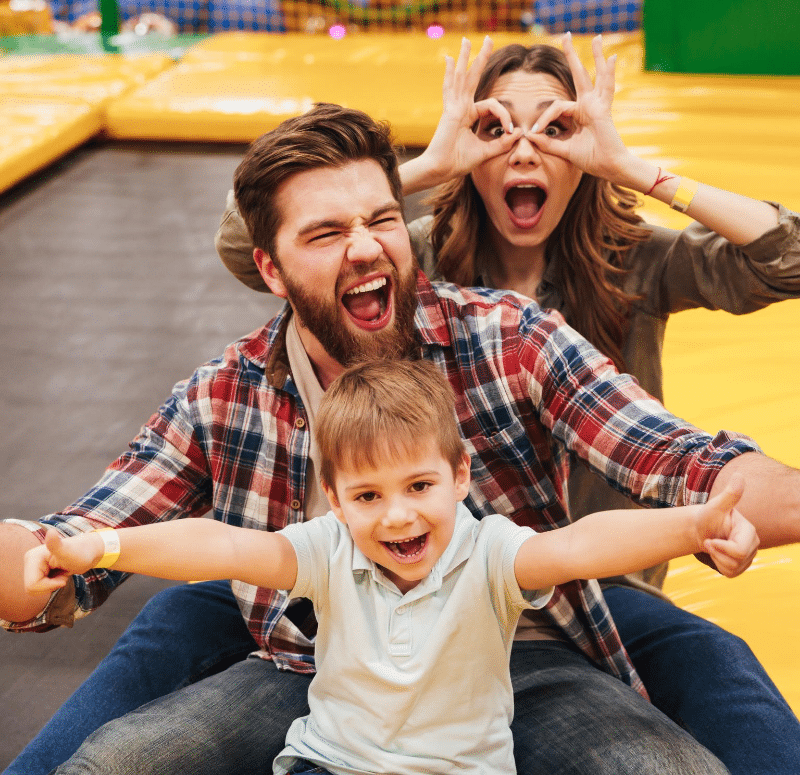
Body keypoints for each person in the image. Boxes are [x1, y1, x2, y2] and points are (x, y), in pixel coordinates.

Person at [2, 101, 798, 775]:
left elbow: (670, 457)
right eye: (324, 234)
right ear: (271, 270)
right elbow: (95, 538)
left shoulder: (506, 337)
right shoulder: (224, 394)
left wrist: (716, 511)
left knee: (670, 757)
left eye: (381, 219)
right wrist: (41, 554)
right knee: (120, 754)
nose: (363, 247)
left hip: (523, 650)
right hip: (316, 662)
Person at [213, 34, 800, 769]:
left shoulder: (631, 259)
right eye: (496, 130)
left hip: (585, 577)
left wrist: (633, 168)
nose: (524, 151)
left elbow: (790, 258)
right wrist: (426, 165)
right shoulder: (411, 256)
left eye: (555, 129)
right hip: (414, 570)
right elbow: (250, 246)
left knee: (720, 668)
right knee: (179, 628)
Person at [25, 359, 756, 775]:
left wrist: (690, 524)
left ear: (460, 476)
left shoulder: (491, 552)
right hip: (331, 766)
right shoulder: (327, 550)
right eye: (368, 496)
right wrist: (104, 547)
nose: (399, 516)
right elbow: (219, 546)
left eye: (418, 488)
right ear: (336, 502)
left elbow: (583, 545)